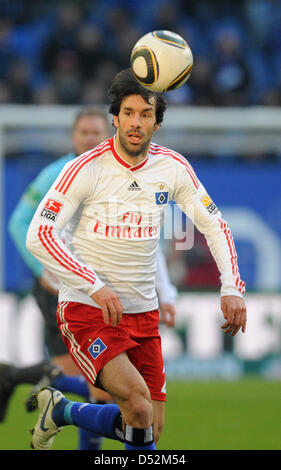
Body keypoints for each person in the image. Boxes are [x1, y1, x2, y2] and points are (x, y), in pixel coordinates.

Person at [26, 68, 246, 451]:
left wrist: (231, 287)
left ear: (157, 122)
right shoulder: (85, 168)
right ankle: (63, 411)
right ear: (115, 117)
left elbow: (215, 225)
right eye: (128, 112)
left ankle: (60, 411)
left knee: (148, 430)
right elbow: (38, 234)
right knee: (138, 408)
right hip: (87, 308)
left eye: (146, 114)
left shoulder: (172, 168)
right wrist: (94, 286)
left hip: (143, 312)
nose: (135, 122)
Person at [4, 106, 177, 450]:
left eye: (95, 133)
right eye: (83, 133)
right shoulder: (56, 173)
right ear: (73, 137)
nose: (89, 139)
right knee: (106, 390)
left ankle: (29, 385)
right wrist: (44, 270)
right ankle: (39, 392)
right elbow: (20, 223)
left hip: (114, 292)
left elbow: (143, 241)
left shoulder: (123, 174)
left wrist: (165, 290)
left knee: (117, 396)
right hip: (67, 288)